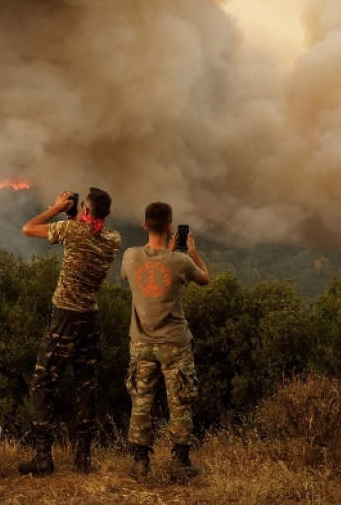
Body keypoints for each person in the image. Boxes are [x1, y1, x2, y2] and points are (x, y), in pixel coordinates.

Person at [17, 188, 121, 476]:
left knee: (42, 383)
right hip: (90, 317)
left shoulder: (71, 232)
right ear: (106, 215)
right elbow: (92, 231)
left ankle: (42, 459)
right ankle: (83, 459)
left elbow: (28, 229)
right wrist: (78, 215)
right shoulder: (114, 240)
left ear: (86, 212)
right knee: (86, 385)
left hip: (65, 316)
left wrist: (55, 207)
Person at [120, 202, 210, 481]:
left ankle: (139, 463)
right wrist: (192, 252)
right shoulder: (181, 262)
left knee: (141, 401)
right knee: (180, 402)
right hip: (174, 344)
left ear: (145, 225)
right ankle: (180, 464)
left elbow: (132, 277)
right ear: (171, 227)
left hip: (141, 342)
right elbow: (205, 279)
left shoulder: (131, 256)